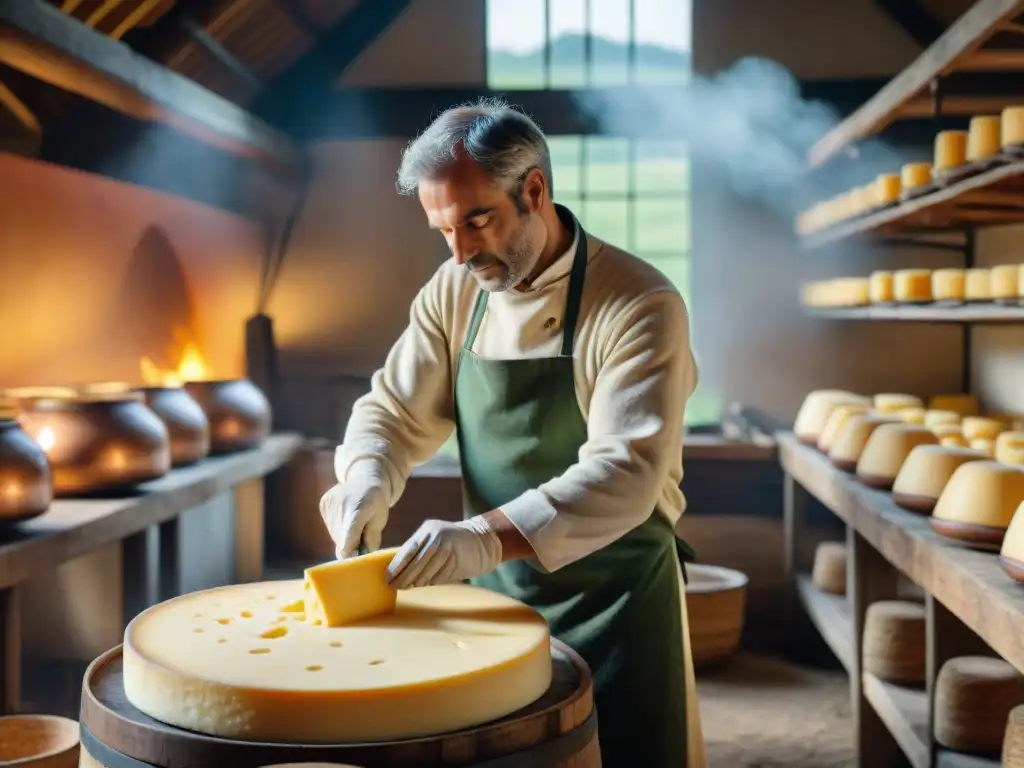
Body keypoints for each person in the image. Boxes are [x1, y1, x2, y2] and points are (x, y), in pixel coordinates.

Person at [319, 98, 705, 767]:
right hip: (499, 597)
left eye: (478, 220)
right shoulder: (452, 291)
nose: (462, 251)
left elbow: (627, 472)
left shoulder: (640, 303)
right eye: (443, 230)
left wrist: (478, 538)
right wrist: (366, 476)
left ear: (534, 190)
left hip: (619, 598)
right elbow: (392, 410)